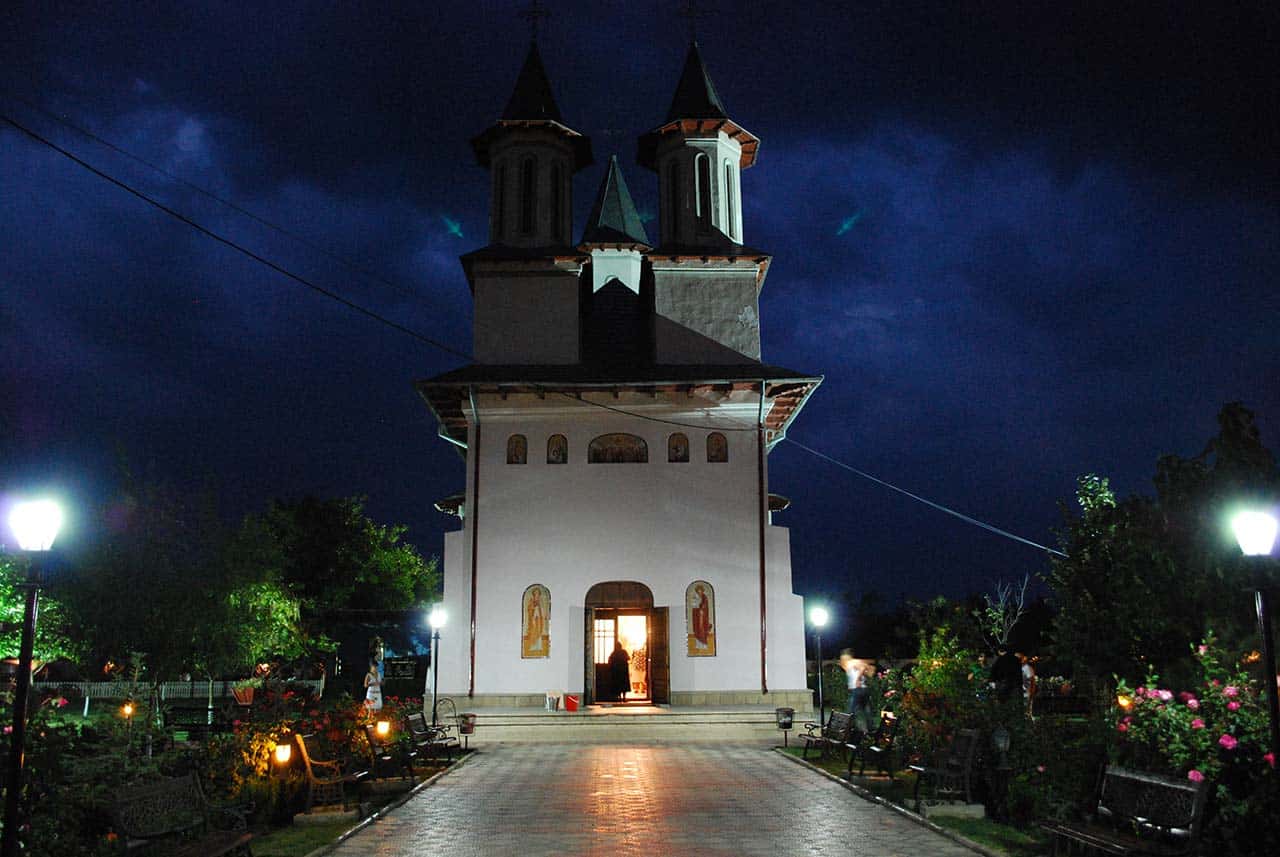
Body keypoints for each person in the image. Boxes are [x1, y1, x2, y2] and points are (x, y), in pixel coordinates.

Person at [840, 650, 870, 733]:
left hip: (858, 690)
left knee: (851, 710)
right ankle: (870, 728)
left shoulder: (852, 662)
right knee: (865, 710)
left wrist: (857, 679)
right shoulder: (849, 664)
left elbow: (863, 667)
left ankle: (848, 728)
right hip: (860, 690)